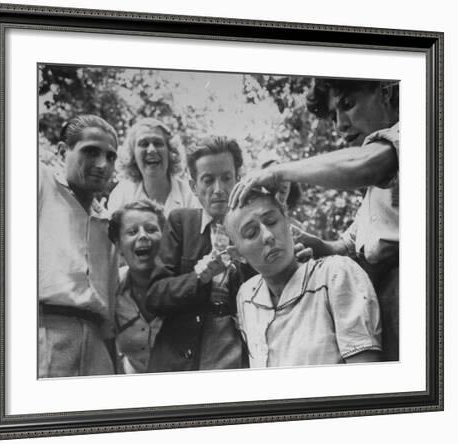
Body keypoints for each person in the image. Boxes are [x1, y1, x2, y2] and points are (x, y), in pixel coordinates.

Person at [229, 78, 399, 361]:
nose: (340, 124)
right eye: (333, 115)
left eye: (347, 105)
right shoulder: (374, 194)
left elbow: (363, 165)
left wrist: (279, 172)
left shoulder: (417, 133)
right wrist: (318, 245)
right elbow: (347, 244)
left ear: (385, 92)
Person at [225, 189, 383, 367]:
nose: (268, 236)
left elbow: (365, 375)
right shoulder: (247, 296)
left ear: (288, 223)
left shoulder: (335, 275)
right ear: (238, 255)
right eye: (252, 233)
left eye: (271, 222)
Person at [146, 137, 252, 372]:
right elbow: (154, 296)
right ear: (194, 187)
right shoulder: (181, 223)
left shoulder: (254, 228)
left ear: (238, 180)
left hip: (237, 350)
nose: (218, 190)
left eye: (226, 178)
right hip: (181, 355)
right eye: (208, 180)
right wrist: (197, 277)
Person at [38, 114, 119, 377]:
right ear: (63, 151)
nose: (101, 164)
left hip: (97, 345)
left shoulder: (108, 223)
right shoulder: (42, 184)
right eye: (91, 152)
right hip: (47, 332)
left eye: (110, 156)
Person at [107, 200, 165, 373]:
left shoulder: (184, 283)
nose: (143, 236)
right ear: (118, 245)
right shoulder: (111, 288)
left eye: (151, 229)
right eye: (132, 231)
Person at [108, 118, 200, 216]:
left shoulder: (190, 195)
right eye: (144, 144)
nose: (151, 150)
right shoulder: (122, 194)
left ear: (170, 152)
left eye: (158, 143)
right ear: (132, 155)